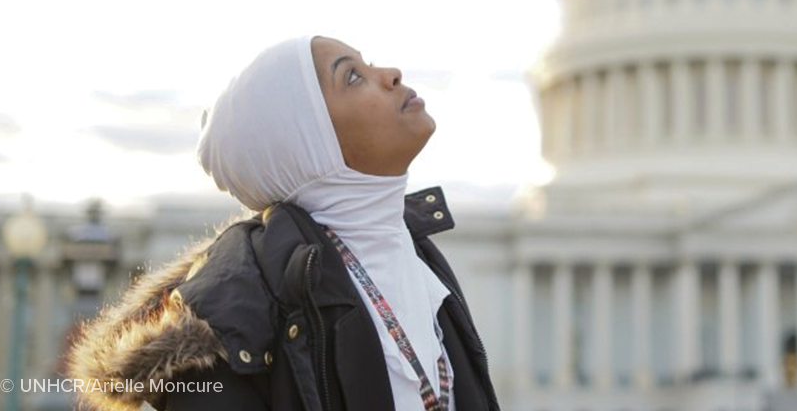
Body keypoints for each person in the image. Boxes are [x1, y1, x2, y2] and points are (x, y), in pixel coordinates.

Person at [66, 35, 500, 411]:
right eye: (352, 76)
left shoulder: (421, 258)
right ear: (307, 144)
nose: (390, 74)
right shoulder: (230, 318)